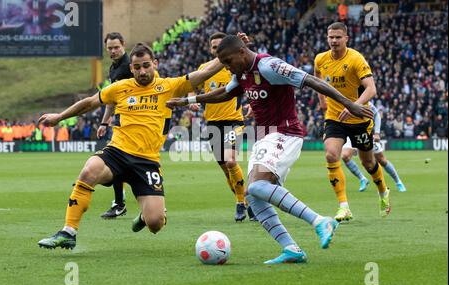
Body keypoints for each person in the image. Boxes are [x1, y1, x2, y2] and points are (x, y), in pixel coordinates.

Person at [166, 35, 373, 264]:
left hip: (285, 132)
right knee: (253, 195)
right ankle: (291, 249)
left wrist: (350, 103)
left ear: (242, 52)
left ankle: (319, 221)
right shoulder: (241, 72)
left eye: (227, 60)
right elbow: (226, 92)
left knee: (257, 186)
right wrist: (187, 101)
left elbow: (312, 81)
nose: (226, 66)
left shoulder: (269, 66)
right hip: (265, 137)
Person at [37, 43, 224, 250]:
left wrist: (227, 53)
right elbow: (90, 103)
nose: (142, 71)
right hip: (117, 152)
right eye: (137, 67)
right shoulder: (121, 87)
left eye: (146, 66)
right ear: (131, 68)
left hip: (147, 162)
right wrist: (60, 117)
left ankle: (147, 215)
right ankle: (68, 232)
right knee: (89, 170)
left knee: (155, 224)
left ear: (155, 64)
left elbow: (204, 73)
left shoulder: (170, 86)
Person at [314, 22, 391, 222]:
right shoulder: (321, 59)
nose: (334, 41)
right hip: (334, 117)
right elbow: (317, 77)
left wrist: (352, 106)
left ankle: (383, 192)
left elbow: (371, 89)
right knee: (331, 155)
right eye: (331, 37)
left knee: (368, 162)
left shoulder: (356, 59)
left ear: (346, 38)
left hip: (360, 119)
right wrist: (322, 100)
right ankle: (344, 206)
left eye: (338, 37)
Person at [189, 32, 253, 222]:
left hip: (234, 121)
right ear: (210, 49)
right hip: (213, 124)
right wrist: (193, 99)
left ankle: (242, 204)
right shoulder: (204, 68)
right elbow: (192, 85)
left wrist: (253, 104)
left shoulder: (235, 65)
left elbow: (253, 78)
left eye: (220, 46)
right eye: (214, 47)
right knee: (226, 169)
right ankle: (243, 202)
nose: (216, 49)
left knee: (231, 161)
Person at [96, 32, 134, 220]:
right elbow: (111, 100)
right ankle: (119, 203)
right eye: (109, 48)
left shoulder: (130, 66)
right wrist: (104, 122)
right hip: (121, 120)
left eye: (116, 47)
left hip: (136, 121)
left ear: (123, 45)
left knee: (143, 161)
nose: (113, 51)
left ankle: (155, 202)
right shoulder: (114, 69)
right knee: (118, 163)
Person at [341, 102, 407, 192]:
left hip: (365, 133)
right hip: (350, 134)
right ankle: (362, 179)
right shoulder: (341, 99)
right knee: (345, 156)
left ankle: (398, 181)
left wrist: (376, 133)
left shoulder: (363, 100)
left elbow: (376, 115)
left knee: (381, 160)